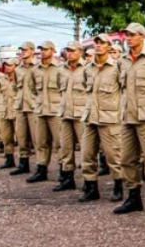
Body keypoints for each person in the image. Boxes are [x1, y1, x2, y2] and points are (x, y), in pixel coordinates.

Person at [114, 23, 145, 215]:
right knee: (127, 158)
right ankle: (133, 197)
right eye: (126, 34)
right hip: (128, 116)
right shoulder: (123, 60)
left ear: (142, 36)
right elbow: (122, 86)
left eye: (132, 35)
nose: (128, 37)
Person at [79, 34, 124, 202]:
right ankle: (91, 188)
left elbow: (123, 89)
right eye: (96, 42)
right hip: (90, 116)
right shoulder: (88, 68)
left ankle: (118, 186)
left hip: (109, 118)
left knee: (114, 156)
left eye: (102, 43)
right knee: (87, 155)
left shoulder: (116, 68)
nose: (98, 45)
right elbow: (86, 87)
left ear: (109, 46)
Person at [26, 41, 63, 183]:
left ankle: (63, 171)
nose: (43, 52)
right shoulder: (35, 70)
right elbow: (33, 89)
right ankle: (41, 170)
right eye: (41, 49)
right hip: (41, 110)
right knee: (41, 142)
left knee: (59, 143)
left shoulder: (60, 68)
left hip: (55, 110)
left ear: (53, 51)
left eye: (46, 49)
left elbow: (62, 89)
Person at [54, 42, 87, 191]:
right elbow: (58, 89)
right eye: (68, 50)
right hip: (65, 113)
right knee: (65, 148)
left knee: (86, 149)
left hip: (81, 114)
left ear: (80, 52)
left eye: (73, 50)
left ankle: (89, 181)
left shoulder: (87, 69)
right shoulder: (61, 70)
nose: (70, 53)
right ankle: (68, 179)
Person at [9, 43, 38, 176]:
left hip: (34, 107)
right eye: (21, 50)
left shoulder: (38, 67)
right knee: (21, 137)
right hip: (21, 106)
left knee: (38, 139)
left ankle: (41, 167)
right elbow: (15, 87)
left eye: (25, 50)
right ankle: (23, 164)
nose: (23, 52)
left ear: (32, 51)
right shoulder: (18, 69)